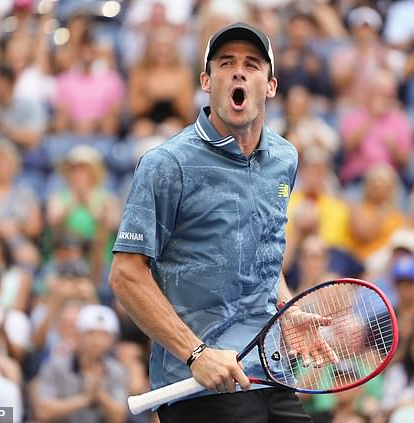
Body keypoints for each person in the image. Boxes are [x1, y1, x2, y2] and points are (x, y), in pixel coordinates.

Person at [110, 22, 334, 422]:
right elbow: (126, 275)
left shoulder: (285, 158)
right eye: (226, 62)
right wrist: (196, 354)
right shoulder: (166, 164)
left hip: (272, 373)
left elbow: (264, 247)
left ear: (270, 86)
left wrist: (285, 308)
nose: (238, 71)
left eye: (252, 64)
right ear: (206, 80)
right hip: (200, 386)